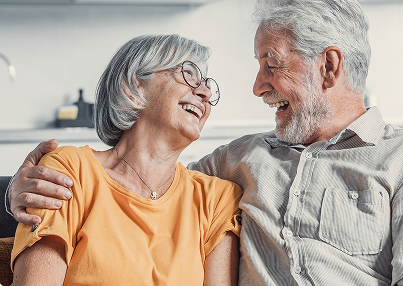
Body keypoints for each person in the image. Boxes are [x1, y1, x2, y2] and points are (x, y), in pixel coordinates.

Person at [7, 0, 403, 285]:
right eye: (189, 75)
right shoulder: (237, 163)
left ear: (328, 66)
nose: (257, 87)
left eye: (271, 65)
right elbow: (140, 176)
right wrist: (14, 191)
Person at [10, 34, 242, 286]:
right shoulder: (70, 170)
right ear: (132, 89)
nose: (205, 92)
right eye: (188, 74)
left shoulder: (217, 199)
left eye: (208, 85)